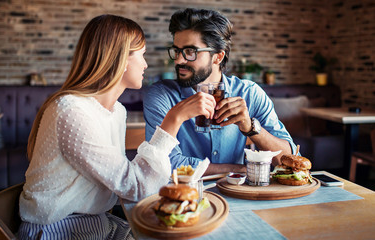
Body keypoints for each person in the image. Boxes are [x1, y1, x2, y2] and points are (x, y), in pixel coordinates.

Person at [18, 14, 216, 240]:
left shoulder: (116, 111)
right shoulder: (71, 111)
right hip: (57, 230)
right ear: (120, 59)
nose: (146, 64)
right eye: (141, 55)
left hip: (96, 224)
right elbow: (136, 186)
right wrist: (173, 119)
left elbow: (124, 180)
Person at [143, 8, 298, 175]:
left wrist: (250, 128)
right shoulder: (161, 96)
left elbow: (291, 160)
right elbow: (164, 164)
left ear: (218, 57)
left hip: (241, 196)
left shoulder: (250, 93)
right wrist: (237, 170)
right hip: (184, 196)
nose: (179, 60)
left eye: (190, 52)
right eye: (177, 51)